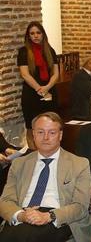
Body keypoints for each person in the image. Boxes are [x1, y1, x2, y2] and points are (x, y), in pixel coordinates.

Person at [0, 112, 91, 242]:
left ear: (61, 135)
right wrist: (21, 215)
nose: (46, 137)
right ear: (33, 135)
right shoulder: (19, 164)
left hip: (58, 219)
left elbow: (80, 207)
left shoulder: (79, 164)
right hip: (23, 216)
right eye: (40, 132)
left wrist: (48, 216)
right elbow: (5, 200)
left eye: (51, 132)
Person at [17, 21, 59, 149]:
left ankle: (50, 153)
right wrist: (40, 90)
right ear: (28, 36)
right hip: (32, 94)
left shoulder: (50, 50)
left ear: (43, 34)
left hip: (50, 91)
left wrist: (47, 88)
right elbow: (25, 74)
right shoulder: (24, 51)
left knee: (51, 125)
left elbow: (56, 74)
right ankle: (34, 156)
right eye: (32, 33)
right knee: (32, 127)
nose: (35, 36)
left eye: (38, 33)